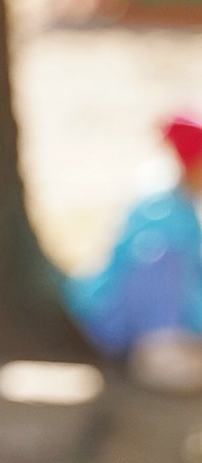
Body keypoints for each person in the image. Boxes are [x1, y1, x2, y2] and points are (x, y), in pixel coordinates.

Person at [66, 114, 202, 392]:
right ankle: (159, 353)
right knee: (160, 258)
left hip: (179, 320)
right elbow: (155, 277)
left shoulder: (185, 209)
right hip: (131, 319)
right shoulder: (160, 210)